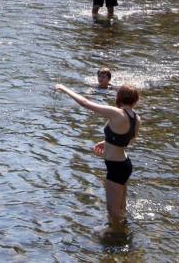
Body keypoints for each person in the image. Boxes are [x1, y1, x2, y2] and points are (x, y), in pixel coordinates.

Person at [55, 82, 140, 221]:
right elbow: (128, 141)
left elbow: (85, 103)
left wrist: (64, 88)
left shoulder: (116, 113)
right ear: (135, 99)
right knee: (121, 208)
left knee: (113, 211)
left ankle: (117, 237)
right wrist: (107, 142)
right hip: (125, 164)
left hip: (116, 168)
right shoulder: (136, 118)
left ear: (119, 97)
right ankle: (124, 232)